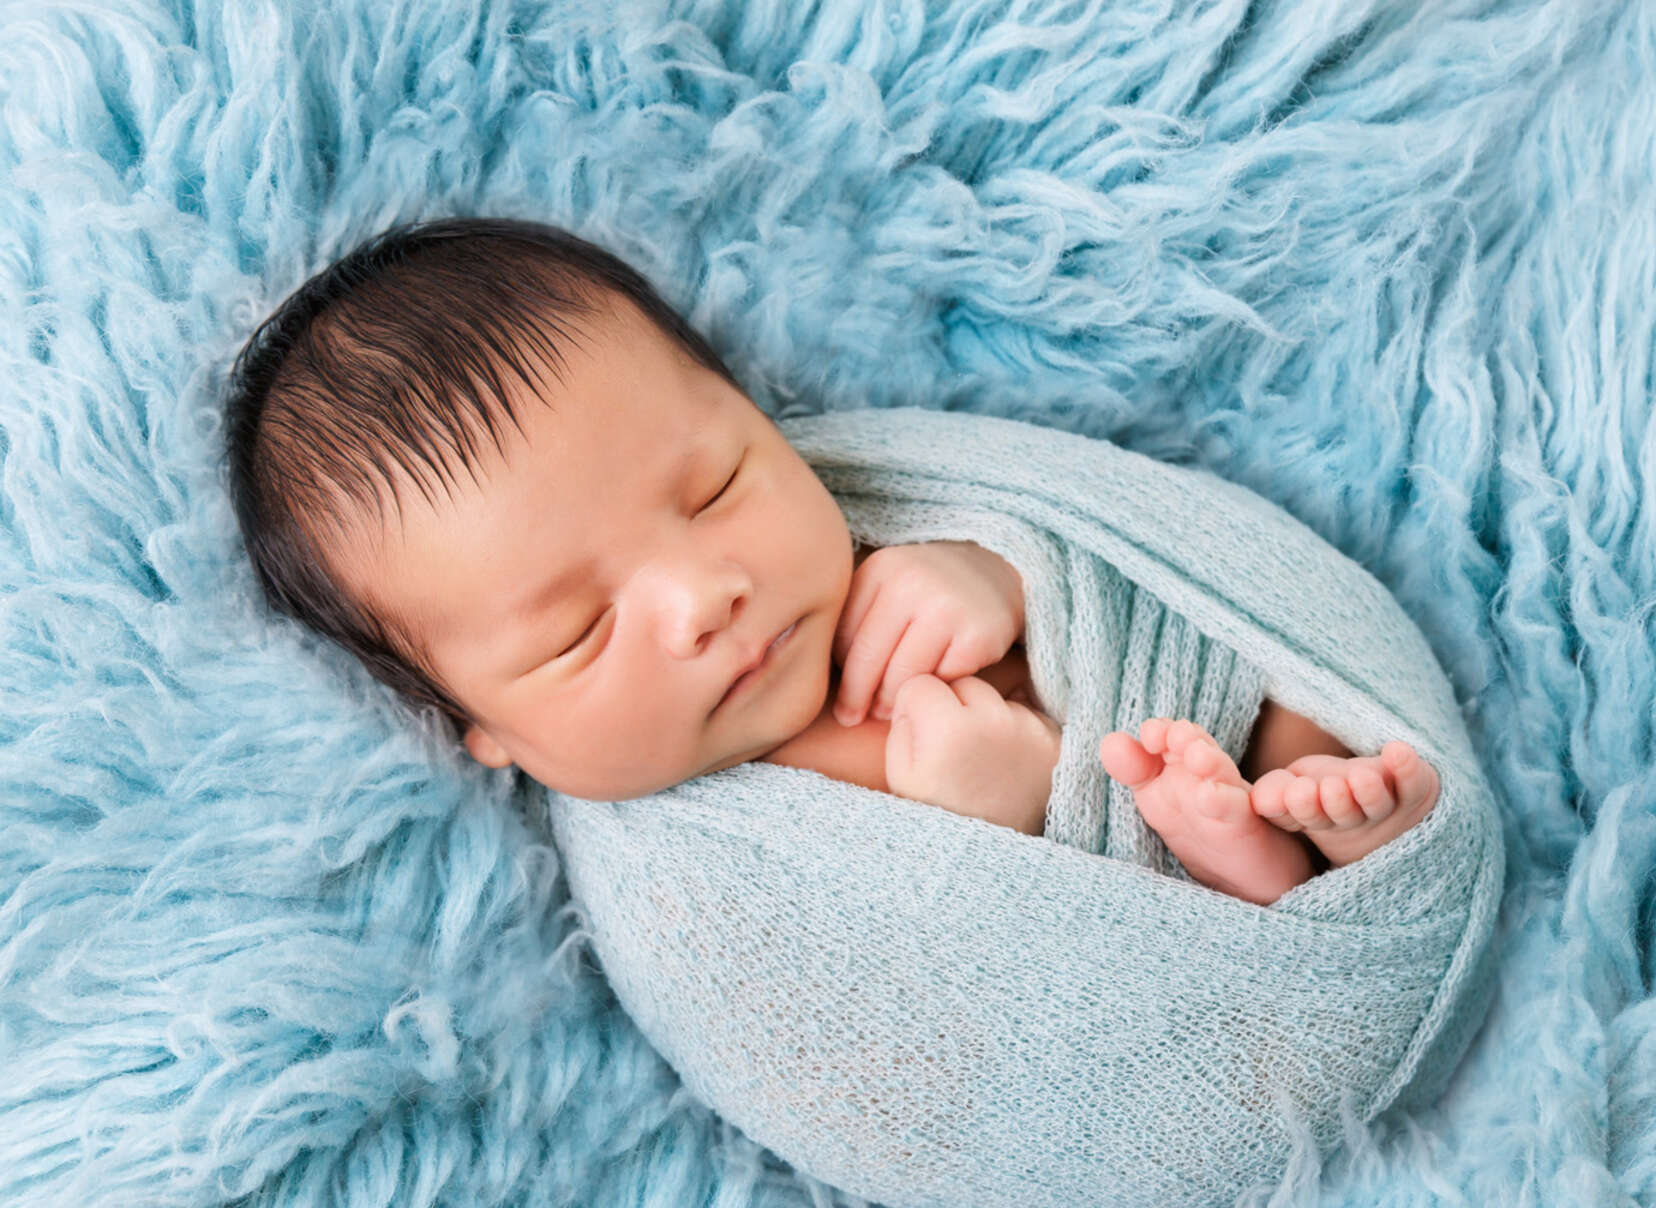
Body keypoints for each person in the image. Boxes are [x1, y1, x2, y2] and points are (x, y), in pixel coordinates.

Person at [224, 216, 1438, 906]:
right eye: (578, 633)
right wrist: (987, 827)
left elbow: (1130, 543)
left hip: (1202, 748)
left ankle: (1351, 835)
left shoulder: (888, 522)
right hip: (1144, 980)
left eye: (716, 489)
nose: (705, 598)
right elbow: (902, 1048)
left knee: (1275, 723)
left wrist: (1006, 573)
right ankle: (1257, 870)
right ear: (474, 722)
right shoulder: (688, 883)